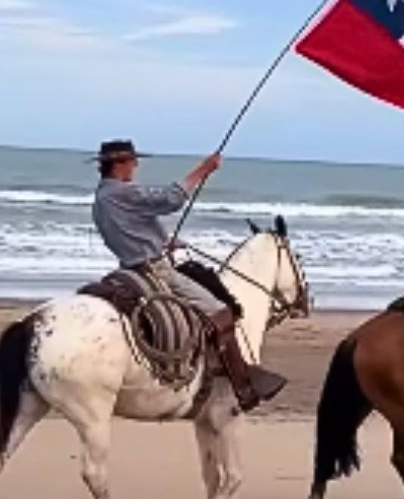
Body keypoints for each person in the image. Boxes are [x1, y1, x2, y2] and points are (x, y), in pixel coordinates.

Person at [90, 138, 286, 411]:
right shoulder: (124, 192)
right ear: (119, 165)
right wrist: (203, 169)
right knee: (220, 310)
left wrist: (163, 241)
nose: (136, 166)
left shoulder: (101, 198)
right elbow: (170, 200)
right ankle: (242, 384)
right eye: (133, 161)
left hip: (128, 266)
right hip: (154, 270)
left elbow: (130, 229)